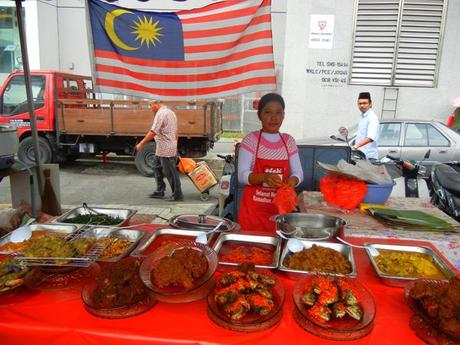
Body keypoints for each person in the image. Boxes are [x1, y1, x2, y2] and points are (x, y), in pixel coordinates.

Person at [237, 93, 303, 232]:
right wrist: (264, 177)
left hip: (280, 212)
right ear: (259, 115)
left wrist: (293, 180)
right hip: (253, 213)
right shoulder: (251, 140)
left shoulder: (288, 141)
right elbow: (242, 176)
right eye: (268, 112)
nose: (274, 118)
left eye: (278, 113)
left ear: (283, 115)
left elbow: (299, 173)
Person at [136, 101, 184, 201]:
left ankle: (177, 195)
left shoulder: (161, 114)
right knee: (155, 167)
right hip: (163, 147)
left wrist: (141, 143)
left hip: (166, 148)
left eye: (150, 105)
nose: (150, 108)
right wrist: (175, 146)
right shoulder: (171, 113)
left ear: (156, 103)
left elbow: (153, 131)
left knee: (170, 172)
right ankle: (160, 191)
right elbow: (176, 132)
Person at [353, 92, 380, 161]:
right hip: (361, 156)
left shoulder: (372, 118)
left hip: (369, 157)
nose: (362, 105)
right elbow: (361, 135)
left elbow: (370, 138)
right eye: (360, 103)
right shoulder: (363, 116)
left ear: (370, 104)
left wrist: (355, 146)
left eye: (365, 103)